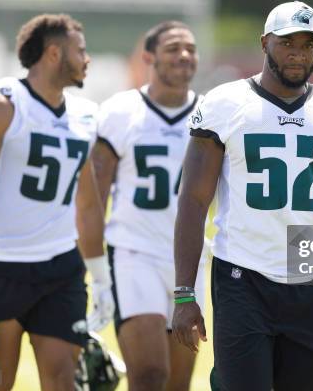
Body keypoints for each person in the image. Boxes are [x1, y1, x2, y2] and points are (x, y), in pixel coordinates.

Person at [172, 1, 313, 391]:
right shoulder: (224, 104)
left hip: (312, 281)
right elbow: (193, 201)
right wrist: (185, 293)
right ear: (265, 42)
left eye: (308, 45)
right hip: (242, 276)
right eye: (288, 43)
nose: (298, 54)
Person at [0, 14, 114, 391]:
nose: (87, 59)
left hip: (60, 266)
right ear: (54, 53)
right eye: (80, 51)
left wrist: (100, 276)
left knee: (62, 380)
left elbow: (87, 203)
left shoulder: (85, 115)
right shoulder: (0, 106)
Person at [92, 21, 205, 391]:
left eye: (190, 48)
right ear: (148, 57)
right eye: (173, 48)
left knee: (177, 382)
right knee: (149, 374)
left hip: (191, 260)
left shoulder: (212, 114)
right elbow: (94, 196)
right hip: (133, 252)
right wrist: (92, 268)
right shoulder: (119, 111)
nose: (183, 55)